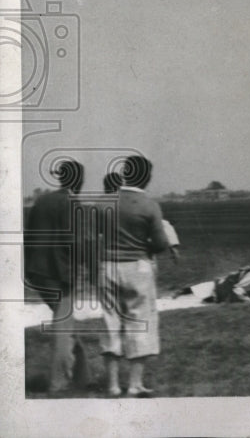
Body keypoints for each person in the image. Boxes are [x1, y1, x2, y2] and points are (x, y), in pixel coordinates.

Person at [99, 155, 170, 397]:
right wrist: (146, 246)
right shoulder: (149, 205)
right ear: (146, 177)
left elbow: (89, 237)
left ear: (125, 173)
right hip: (137, 266)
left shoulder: (103, 202)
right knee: (139, 323)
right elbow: (161, 243)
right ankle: (134, 384)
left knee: (111, 322)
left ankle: (112, 385)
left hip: (107, 266)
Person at [24, 159, 92, 394]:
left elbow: (29, 237)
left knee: (65, 323)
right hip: (59, 276)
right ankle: (59, 383)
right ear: (79, 181)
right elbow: (77, 243)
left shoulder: (42, 201)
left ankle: (81, 377)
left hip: (37, 273)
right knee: (63, 327)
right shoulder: (73, 204)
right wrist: (92, 267)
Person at [173, 254, 250, 304]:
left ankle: (207, 298)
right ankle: (211, 298)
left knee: (203, 288)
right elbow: (238, 288)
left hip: (224, 283)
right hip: (227, 288)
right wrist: (248, 301)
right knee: (206, 290)